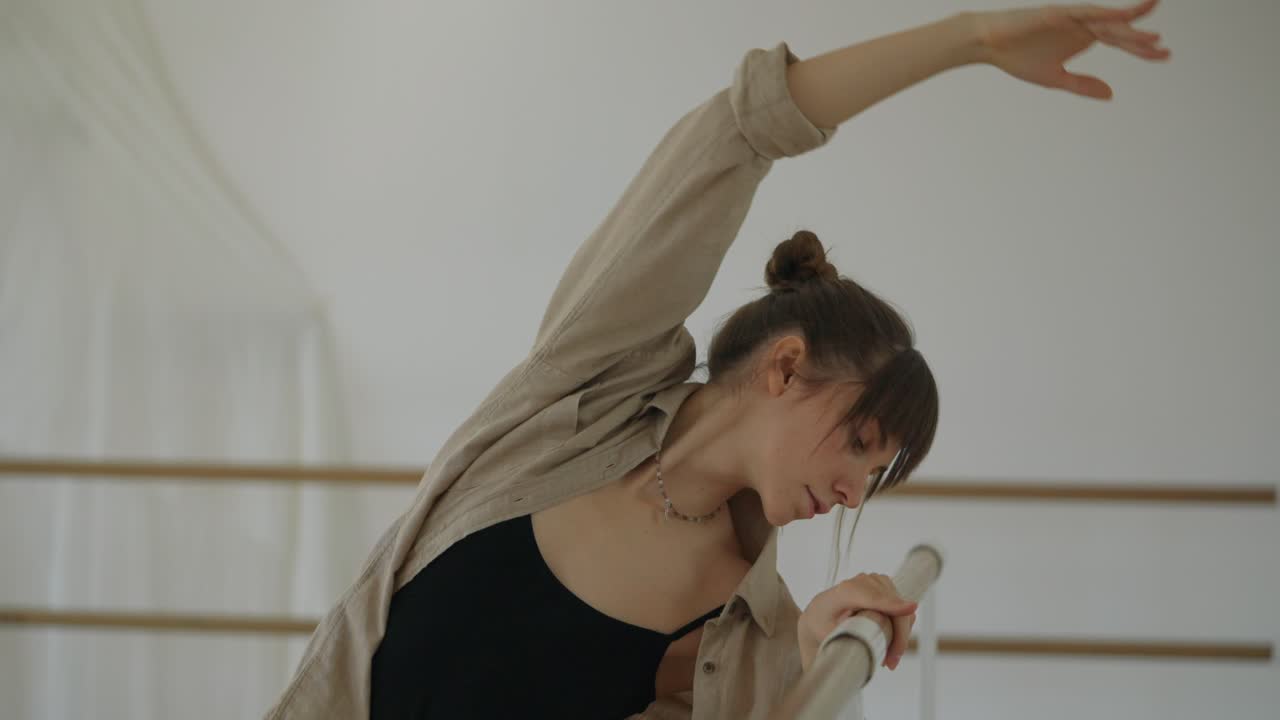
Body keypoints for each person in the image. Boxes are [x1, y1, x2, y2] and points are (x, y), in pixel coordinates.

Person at [265, 2, 1169, 718]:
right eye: (860, 443)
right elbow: (741, 130)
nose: (854, 490)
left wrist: (810, 654)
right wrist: (970, 39)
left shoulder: (747, 626)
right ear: (785, 367)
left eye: (874, 475)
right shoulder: (589, 385)